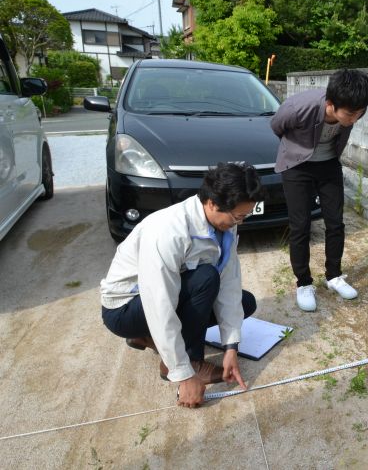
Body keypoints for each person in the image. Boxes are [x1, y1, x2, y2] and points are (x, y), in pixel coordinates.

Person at [100, 162, 265, 408]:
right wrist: (184, 374)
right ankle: (187, 360)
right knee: (206, 277)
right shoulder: (168, 232)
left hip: (163, 296)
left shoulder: (225, 227)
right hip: (125, 308)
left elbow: (229, 284)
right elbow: (159, 304)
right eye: (238, 216)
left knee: (244, 302)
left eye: (245, 216)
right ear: (211, 203)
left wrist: (231, 346)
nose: (240, 222)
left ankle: (146, 338)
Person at [271, 69, 368, 312]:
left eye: (360, 113)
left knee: (336, 222)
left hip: (328, 165)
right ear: (330, 104)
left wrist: (352, 114)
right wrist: (297, 149)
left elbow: (351, 115)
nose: (355, 119)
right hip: (297, 166)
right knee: (301, 225)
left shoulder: (353, 108)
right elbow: (276, 126)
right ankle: (304, 283)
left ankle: (334, 276)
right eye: (350, 114)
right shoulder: (299, 108)